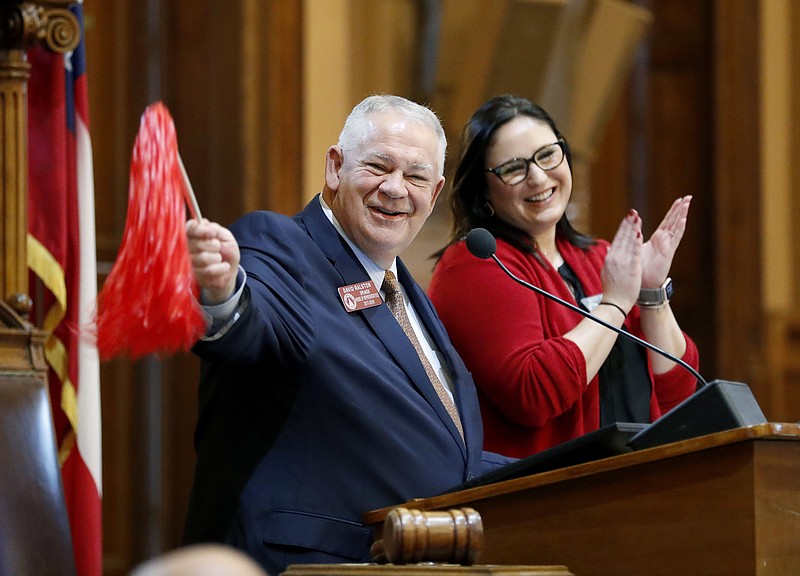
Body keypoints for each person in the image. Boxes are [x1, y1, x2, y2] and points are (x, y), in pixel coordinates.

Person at [182, 94, 511, 575]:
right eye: (378, 166)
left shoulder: (405, 291)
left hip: (408, 556)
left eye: (416, 177)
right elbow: (249, 327)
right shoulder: (282, 246)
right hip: (298, 562)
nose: (396, 189)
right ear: (335, 167)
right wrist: (221, 293)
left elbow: (446, 451)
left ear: (435, 192)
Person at [428, 94, 700, 459]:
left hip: (637, 480)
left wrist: (650, 293)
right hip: (548, 499)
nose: (538, 177)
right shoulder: (475, 266)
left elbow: (677, 389)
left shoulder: (598, 258)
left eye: (547, 155)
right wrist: (616, 303)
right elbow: (533, 393)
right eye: (513, 168)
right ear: (484, 190)